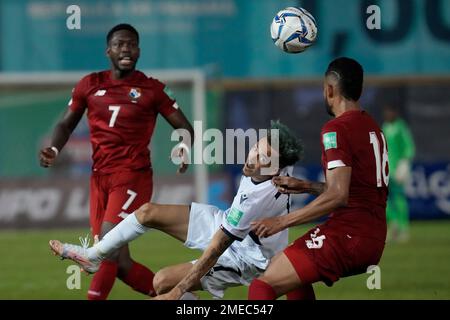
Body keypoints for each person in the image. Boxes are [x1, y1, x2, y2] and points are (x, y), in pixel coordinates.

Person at [49, 121, 303, 299]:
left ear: (276, 169)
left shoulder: (254, 200)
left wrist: (177, 292)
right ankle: (94, 256)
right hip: (229, 225)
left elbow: (215, 249)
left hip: (245, 256)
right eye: (256, 147)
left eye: (264, 157)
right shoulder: (283, 169)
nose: (253, 157)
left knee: (162, 282)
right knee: (148, 212)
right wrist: (312, 187)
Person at [40, 23, 194, 300]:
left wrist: (183, 146)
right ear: (108, 50)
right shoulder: (90, 84)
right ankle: (185, 301)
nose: (126, 48)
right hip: (99, 178)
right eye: (120, 44)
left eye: (132, 44)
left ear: (139, 51)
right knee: (120, 263)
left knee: (106, 249)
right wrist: (53, 147)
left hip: (132, 176)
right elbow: (65, 124)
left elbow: (184, 127)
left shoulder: (152, 89)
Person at [248, 57, 389, 300]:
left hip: (348, 234)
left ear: (329, 89)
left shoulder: (336, 129)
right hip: (373, 237)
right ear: (360, 90)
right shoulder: (372, 126)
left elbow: (338, 195)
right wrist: (306, 186)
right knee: (292, 279)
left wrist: (281, 222)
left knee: (263, 286)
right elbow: (354, 189)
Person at [382, 104, 415, 242]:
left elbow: (409, 147)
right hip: (386, 169)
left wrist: (405, 163)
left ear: (395, 113)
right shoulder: (384, 127)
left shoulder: (400, 127)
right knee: (384, 198)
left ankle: (403, 228)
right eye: (386, 112)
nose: (388, 114)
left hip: (398, 169)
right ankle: (393, 223)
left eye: (390, 111)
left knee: (399, 197)